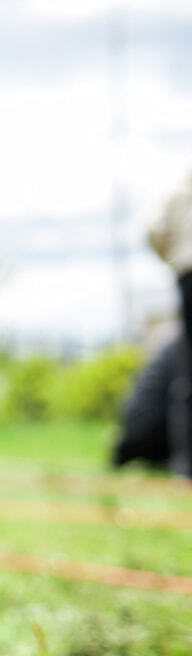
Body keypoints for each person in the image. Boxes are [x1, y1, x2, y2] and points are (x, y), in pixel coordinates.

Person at [147, 167, 192, 478]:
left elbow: (154, 231)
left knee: (188, 370)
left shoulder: (180, 186)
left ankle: (186, 464)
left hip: (188, 273)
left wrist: (174, 260)